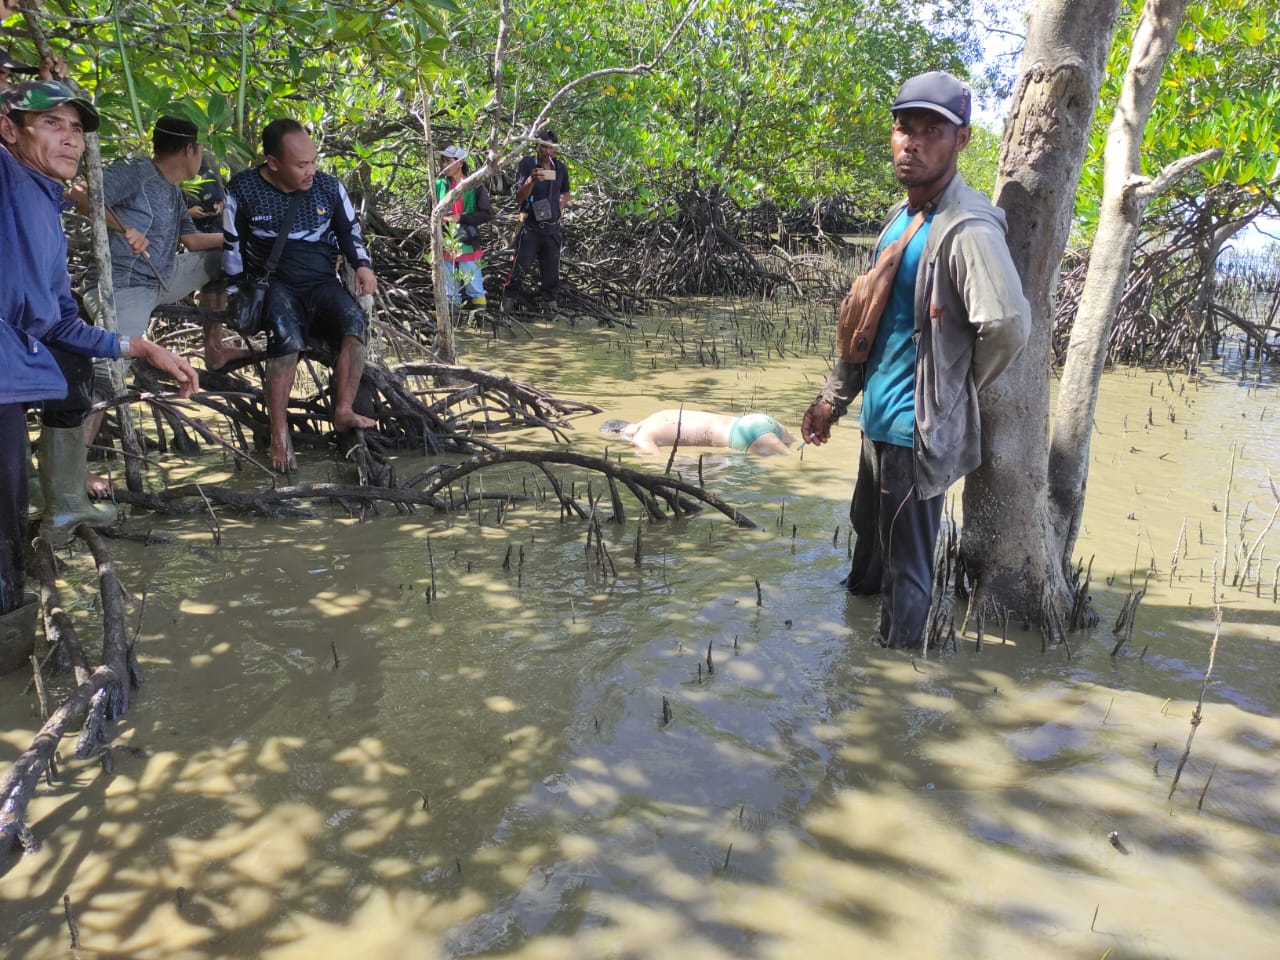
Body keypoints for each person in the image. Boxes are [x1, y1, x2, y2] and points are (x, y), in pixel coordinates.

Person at [801, 71, 1030, 651]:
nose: (914, 142)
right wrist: (834, 398)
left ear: (962, 141)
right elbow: (868, 324)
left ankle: (896, 679)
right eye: (905, 128)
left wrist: (953, 387)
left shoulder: (967, 226)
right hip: (877, 423)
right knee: (867, 540)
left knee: (908, 567)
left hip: (916, 433)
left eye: (933, 130)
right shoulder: (902, 220)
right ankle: (854, 647)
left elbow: (1006, 325)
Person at [0, 80, 198, 657]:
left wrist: (141, 349)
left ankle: (60, 503)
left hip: (16, 370)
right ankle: (14, 666)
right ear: (9, 129)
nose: (71, 139)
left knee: (12, 516)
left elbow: (62, 323)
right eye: (52, 124)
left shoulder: (46, 201)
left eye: (77, 129)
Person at [67, 116, 226, 492]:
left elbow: (195, 243)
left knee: (225, 260)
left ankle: (215, 349)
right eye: (200, 149)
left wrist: (242, 239)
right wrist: (125, 228)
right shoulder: (135, 170)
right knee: (108, 373)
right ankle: (70, 473)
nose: (201, 156)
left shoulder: (173, 191)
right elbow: (80, 194)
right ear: (188, 149)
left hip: (163, 277)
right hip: (123, 284)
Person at [222, 117, 378, 472]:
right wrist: (237, 294)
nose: (311, 171)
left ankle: (343, 410)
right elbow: (232, 248)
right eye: (301, 165)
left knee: (355, 324)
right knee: (287, 340)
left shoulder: (327, 187)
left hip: (321, 281)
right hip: (275, 283)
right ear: (273, 163)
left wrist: (364, 266)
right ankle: (279, 431)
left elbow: (349, 231)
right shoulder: (242, 190)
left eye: (313, 161)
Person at [501, 128, 570, 315]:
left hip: (552, 230)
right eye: (543, 147)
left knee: (551, 276)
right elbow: (519, 197)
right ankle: (506, 309)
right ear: (537, 146)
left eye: (551, 148)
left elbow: (565, 191)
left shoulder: (560, 168)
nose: (547, 151)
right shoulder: (526, 164)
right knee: (519, 270)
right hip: (530, 228)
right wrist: (531, 179)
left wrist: (560, 206)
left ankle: (550, 312)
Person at [435, 144, 493, 311]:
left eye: (448, 161)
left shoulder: (474, 186)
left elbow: (486, 214)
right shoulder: (439, 184)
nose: (444, 165)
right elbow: (432, 211)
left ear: (460, 163)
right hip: (445, 241)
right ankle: (454, 328)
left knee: (474, 287)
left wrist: (460, 217)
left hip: (468, 241)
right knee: (449, 291)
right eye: (443, 161)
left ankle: (480, 321)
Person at [600, 410, 793, 456]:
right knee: (803, 452)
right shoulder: (659, 414)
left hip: (743, 435)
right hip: (757, 420)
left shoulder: (642, 435)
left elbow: (658, 462)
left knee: (796, 464)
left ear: (620, 432)